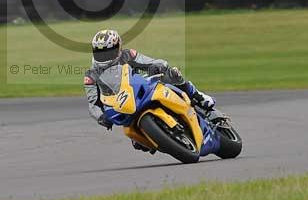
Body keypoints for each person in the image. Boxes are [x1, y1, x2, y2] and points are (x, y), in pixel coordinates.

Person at [83, 29, 215, 152]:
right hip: (122, 105)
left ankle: (197, 95)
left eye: (108, 52)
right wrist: (101, 117)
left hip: (140, 87)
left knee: (172, 73)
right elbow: (93, 103)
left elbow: (148, 62)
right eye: (100, 53)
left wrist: (158, 66)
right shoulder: (91, 75)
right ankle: (162, 138)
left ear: (118, 48)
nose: (105, 56)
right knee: (139, 144)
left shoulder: (128, 55)